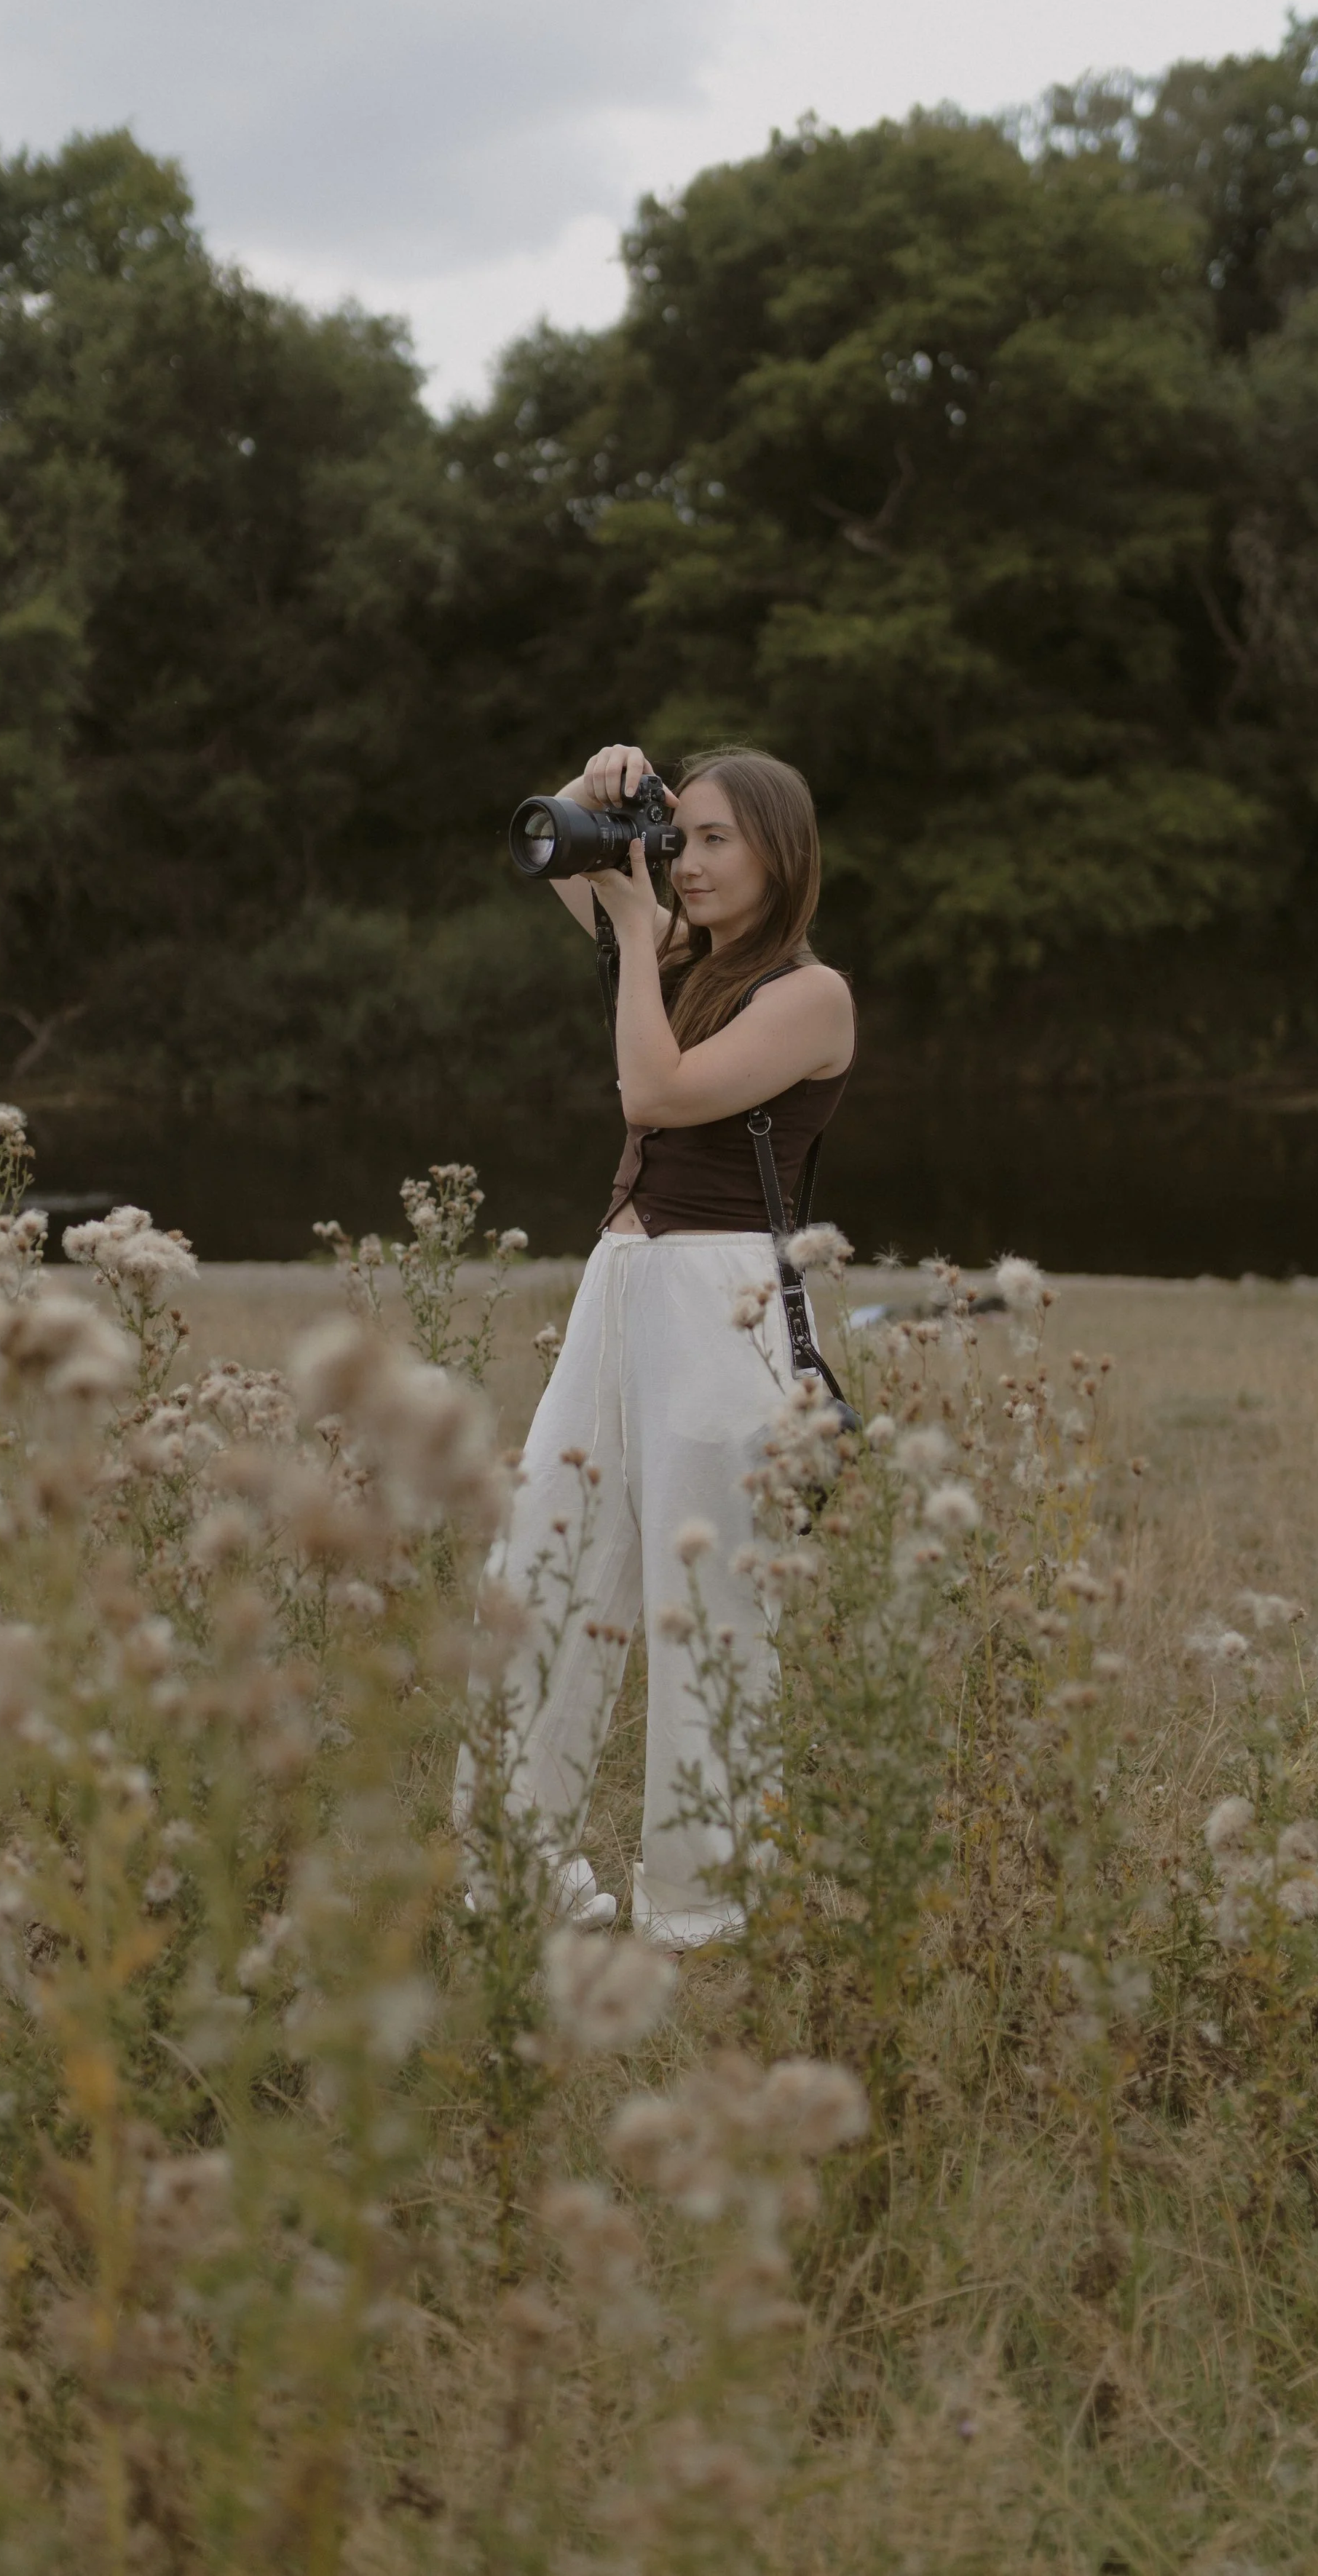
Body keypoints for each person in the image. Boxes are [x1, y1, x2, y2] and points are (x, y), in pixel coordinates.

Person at [454, 742, 856, 1950]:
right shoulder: (673, 950)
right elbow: (552, 852)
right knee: (546, 1555)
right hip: (618, 1279)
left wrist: (637, 936)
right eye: (687, 837)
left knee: (707, 1593)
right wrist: (599, 787)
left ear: (781, 852)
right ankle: (516, 1868)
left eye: (719, 840)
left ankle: (699, 1901)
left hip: (721, 1296)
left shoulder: (809, 994)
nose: (688, 865)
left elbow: (657, 1094)